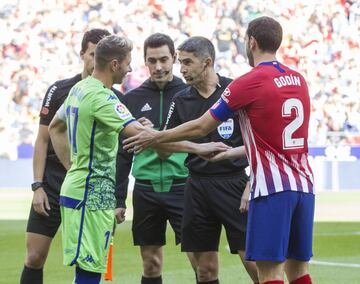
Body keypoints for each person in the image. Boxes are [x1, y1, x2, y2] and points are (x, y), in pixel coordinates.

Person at [124, 16, 315, 284]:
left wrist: (155, 135)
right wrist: (229, 152)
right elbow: (274, 143)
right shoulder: (298, 80)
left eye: (186, 62)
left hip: (267, 187)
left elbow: (202, 126)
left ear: (251, 42)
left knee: (267, 272)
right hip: (302, 184)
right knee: (298, 271)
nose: (182, 69)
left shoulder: (245, 83)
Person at [48, 35, 224, 284]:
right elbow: (147, 137)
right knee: (89, 271)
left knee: (87, 267)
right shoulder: (104, 98)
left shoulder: (81, 88)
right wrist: (197, 147)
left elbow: (55, 127)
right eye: (129, 63)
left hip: (81, 188)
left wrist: (73, 169)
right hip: (93, 192)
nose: (131, 69)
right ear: (114, 65)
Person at [132, 36, 258, 284]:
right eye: (181, 63)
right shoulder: (182, 99)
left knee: (253, 261)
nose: (183, 70)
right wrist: (192, 147)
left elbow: (260, 143)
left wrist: (250, 184)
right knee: (205, 270)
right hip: (197, 186)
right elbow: (163, 147)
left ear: (207, 62)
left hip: (233, 184)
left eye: (188, 63)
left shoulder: (235, 92)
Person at [20, 28, 111, 284]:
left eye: (102, 54)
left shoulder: (112, 97)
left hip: (89, 188)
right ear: (82, 53)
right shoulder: (60, 90)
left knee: (86, 259)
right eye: (93, 53)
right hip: (52, 184)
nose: (97, 60)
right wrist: (37, 185)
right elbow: (42, 139)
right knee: (34, 257)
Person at [116, 33, 192, 284]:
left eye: (163, 60)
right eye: (152, 61)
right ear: (145, 61)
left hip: (183, 187)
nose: (158, 67)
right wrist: (119, 198)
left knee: (202, 263)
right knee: (151, 265)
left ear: (174, 59)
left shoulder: (189, 94)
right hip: (146, 189)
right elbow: (123, 153)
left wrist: (154, 134)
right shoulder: (132, 99)